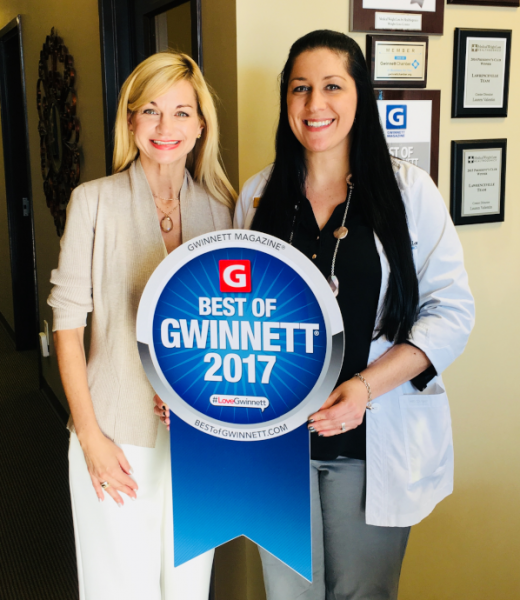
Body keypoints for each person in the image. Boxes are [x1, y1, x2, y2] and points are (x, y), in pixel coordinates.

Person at [232, 30, 475, 600]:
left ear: (360, 96)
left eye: (332, 86)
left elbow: (451, 313)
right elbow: (233, 319)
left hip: (370, 444)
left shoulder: (408, 192)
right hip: (276, 445)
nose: (314, 104)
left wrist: (364, 389)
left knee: (363, 594)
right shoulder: (258, 196)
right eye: (300, 88)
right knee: (287, 595)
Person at [48, 51, 235, 600]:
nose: (164, 126)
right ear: (130, 121)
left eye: (181, 112)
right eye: (150, 110)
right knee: (120, 589)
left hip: (201, 436)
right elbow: (66, 327)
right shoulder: (92, 202)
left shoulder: (222, 210)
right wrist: (90, 438)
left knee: (189, 588)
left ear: (200, 126)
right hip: (115, 431)